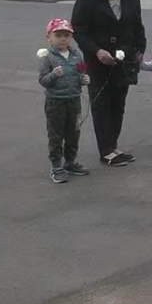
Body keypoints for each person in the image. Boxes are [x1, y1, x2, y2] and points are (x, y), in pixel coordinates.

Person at [71, 0, 146, 167]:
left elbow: (136, 21)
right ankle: (106, 151)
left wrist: (140, 48)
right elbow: (78, 29)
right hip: (98, 57)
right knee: (101, 102)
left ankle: (113, 145)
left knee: (119, 101)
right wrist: (96, 51)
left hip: (124, 54)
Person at [37, 18, 91, 183]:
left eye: (66, 35)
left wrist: (84, 79)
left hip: (74, 100)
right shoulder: (47, 57)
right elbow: (43, 80)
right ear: (49, 37)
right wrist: (53, 75)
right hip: (56, 102)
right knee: (56, 134)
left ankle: (70, 162)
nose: (62, 39)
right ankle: (56, 166)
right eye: (58, 35)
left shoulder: (76, 55)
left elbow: (81, 71)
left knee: (73, 132)